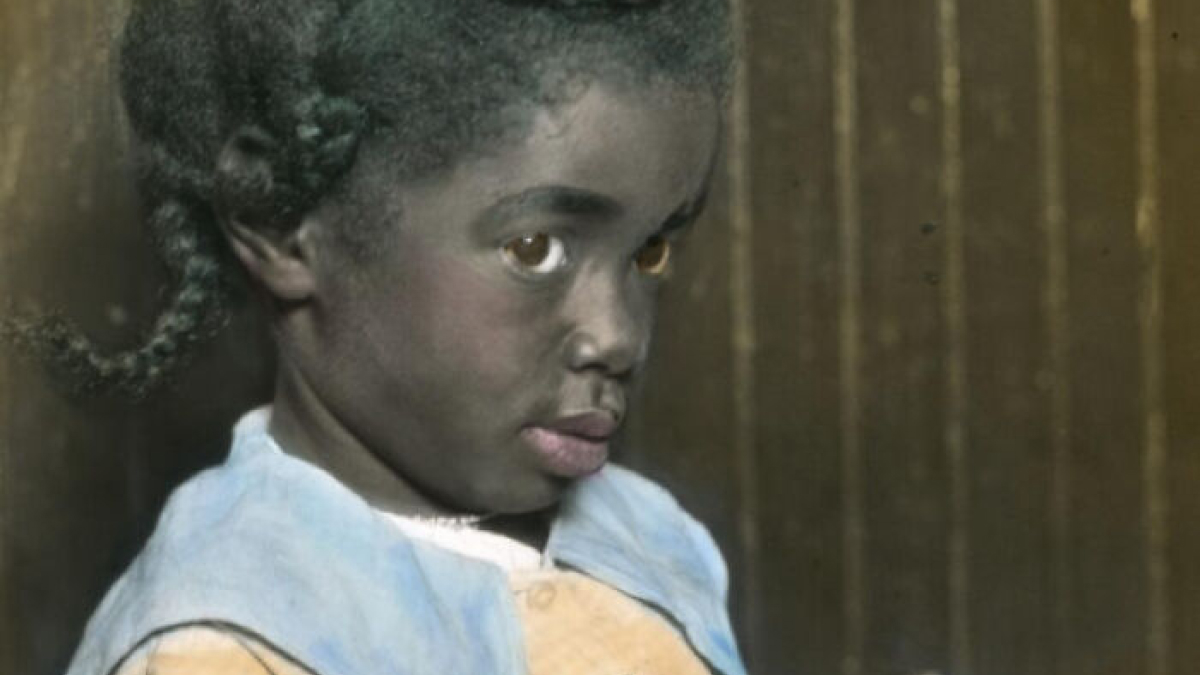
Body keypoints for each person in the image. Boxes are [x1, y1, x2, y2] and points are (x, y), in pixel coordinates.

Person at [6, 0, 746, 673]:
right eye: (534, 249)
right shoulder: (224, 647)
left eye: (651, 251)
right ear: (281, 223)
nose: (617, 336)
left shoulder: (654, 540)